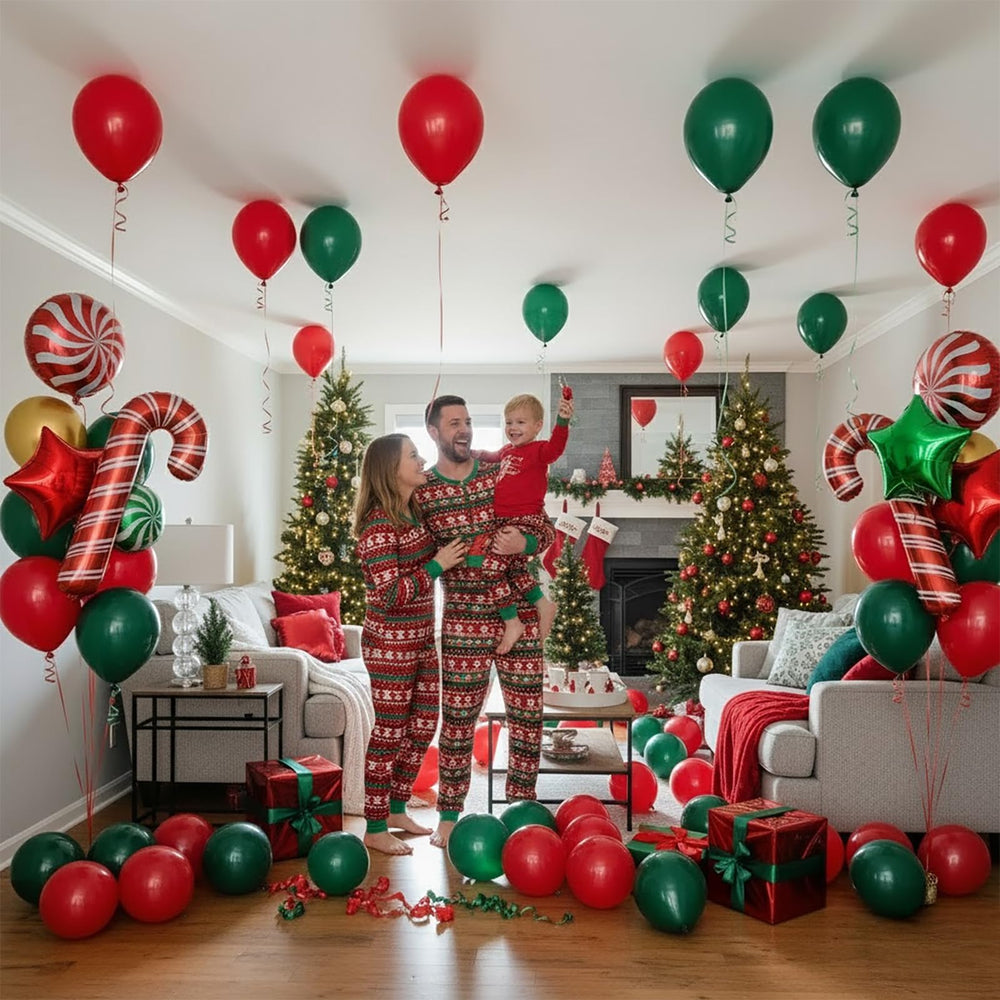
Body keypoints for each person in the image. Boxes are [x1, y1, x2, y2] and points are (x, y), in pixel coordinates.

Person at [417, 395, 556, 848]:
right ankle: (449, 817)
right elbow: (420, 557)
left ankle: (520, 813)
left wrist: (528, 543)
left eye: (469, 421)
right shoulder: (423, 493)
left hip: (521, 615)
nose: (465, 429)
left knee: (528, 719)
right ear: (434, 432)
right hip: (461, 621)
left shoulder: (501, 468)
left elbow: (545, 526)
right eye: (454, 423)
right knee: (457, 723)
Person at [353, 433, 467, 855]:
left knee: (422, 727)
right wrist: (437, 566)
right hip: (389, 645)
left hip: (421, 639)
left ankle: (397, 807)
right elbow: (386, 594)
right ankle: (375, 825)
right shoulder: (379, 525)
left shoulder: (413, 513)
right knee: (389, 732)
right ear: (389, 468)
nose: (422, 461)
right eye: (413, 455)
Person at [471, 391, 574, 655]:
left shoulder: (539, 450)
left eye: (520, 422)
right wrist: (469, 452)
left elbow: (556, 448)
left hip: (526, 518)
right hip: (503, 521)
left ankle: (512, 621)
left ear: (537, 426)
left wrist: (562, 421)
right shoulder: (506, 451)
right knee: (514, 571)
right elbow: (489, 455)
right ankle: (543, 604)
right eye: (509, 422)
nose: (513, 428)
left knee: (491, 569)